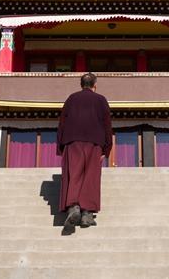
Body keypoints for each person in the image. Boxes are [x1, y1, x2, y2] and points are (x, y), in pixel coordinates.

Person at [57, 72, 112, 227]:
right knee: (91, 177)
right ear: (95, 85)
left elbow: (62, 122)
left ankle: (74, 207)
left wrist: (61, 146)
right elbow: (107, 125)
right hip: (94, 143)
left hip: (72, 142)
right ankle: (87, 213)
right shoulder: (101, 100)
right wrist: (106, 149)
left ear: (81, 85)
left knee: (74, 174)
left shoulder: (71, 99)